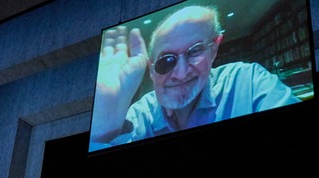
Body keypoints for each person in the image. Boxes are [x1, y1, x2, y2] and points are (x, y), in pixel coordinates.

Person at [89, 4, 301, 151]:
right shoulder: (140, 116)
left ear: (214, 49)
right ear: (152, 70)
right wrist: (103, 126)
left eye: (194, 51)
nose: (181, 73)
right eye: (166, 60)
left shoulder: (248, 82)